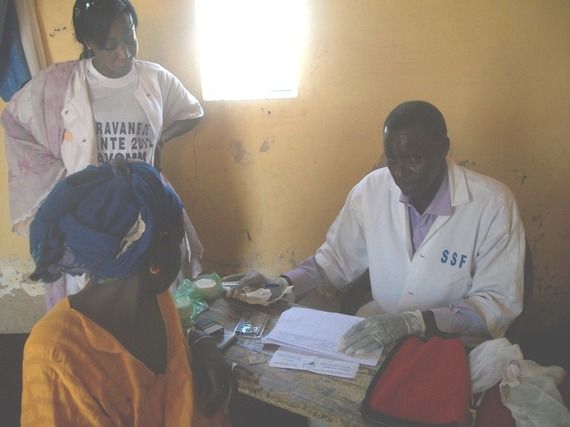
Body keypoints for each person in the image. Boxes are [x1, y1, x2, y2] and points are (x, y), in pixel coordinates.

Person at [231, 100, 526, 353]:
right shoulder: (371, 189)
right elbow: (334, 261)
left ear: (442, 148)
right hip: (381, 323)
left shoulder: (493, 204)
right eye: (393, 158)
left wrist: (417, 322)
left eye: (413, 158)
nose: (400, 172)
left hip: (455, 344)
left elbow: (495, 304)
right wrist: (284, 283)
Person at [1, 0, 205, 310]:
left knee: (148, 306)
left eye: (129, 37)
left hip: (144, 215)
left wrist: (161, 140)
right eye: (111, 45)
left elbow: (193, 111)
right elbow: (15, 120)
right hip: (89, 224)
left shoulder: (156, 79)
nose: (124, 52)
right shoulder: (60, 84)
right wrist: (62, 177)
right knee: (93, 313)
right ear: (88, 42)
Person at [21, 158, 231, 426]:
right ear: (155, 258)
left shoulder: (154, 299)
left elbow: (178, 347)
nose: (182, 251)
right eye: (179, 239)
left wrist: (202, 345)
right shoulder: (57, 354)